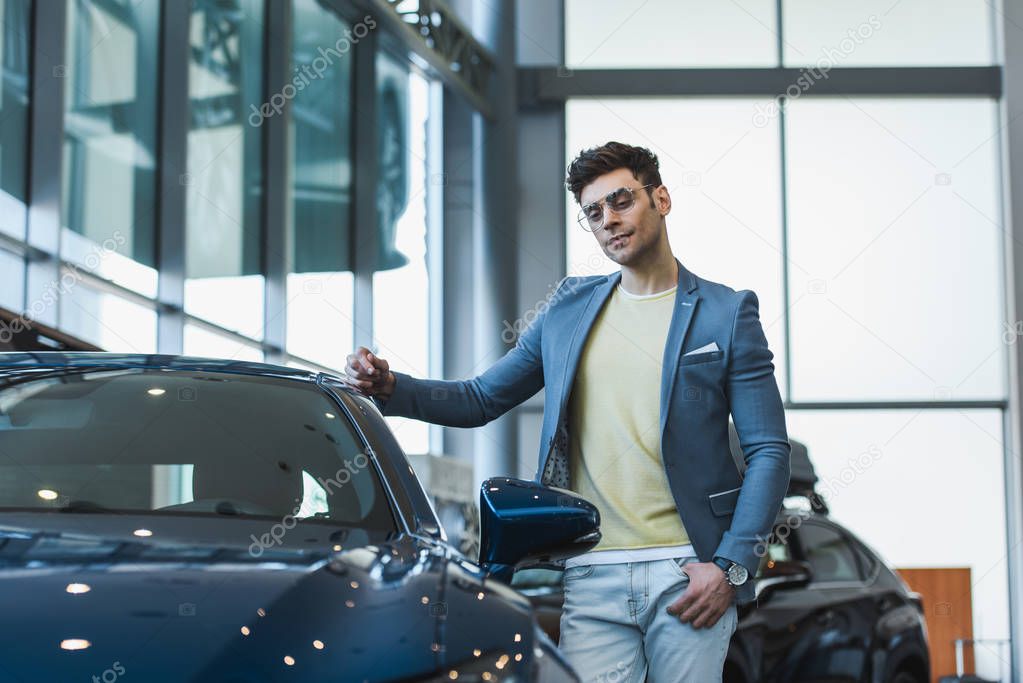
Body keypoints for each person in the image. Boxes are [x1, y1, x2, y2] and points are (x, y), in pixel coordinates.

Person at [343, 140, 791, 682]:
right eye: (593, 213)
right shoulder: (569, 308)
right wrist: (392, 387)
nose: (609, 222)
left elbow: (768, 450)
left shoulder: (728, 312)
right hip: (592, 570)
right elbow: (482, 398)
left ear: (662, 199)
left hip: (687, 569)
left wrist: (729, 567)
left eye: (621, 201)